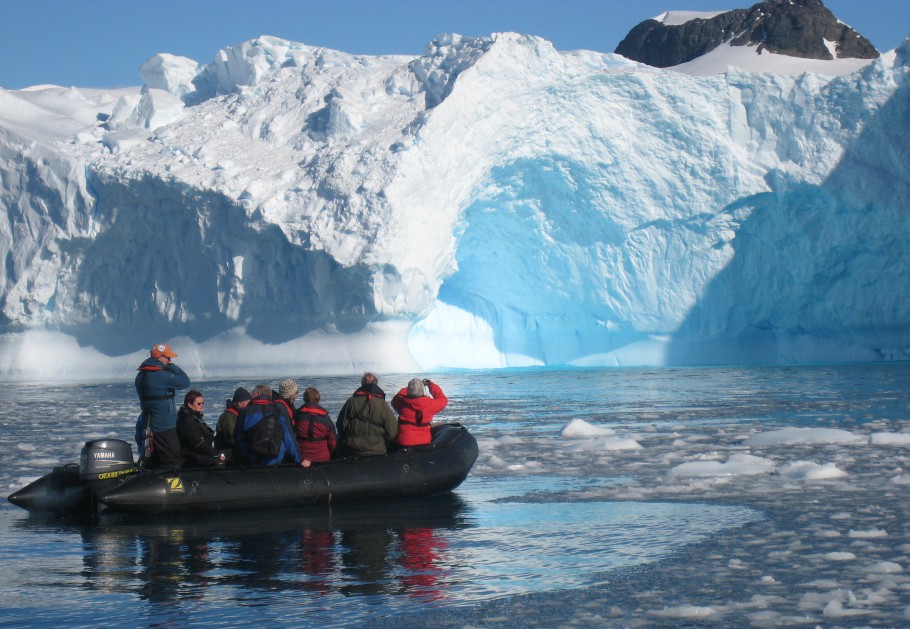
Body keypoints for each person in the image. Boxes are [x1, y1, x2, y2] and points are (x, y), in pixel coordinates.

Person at [135, 342, 191, 468]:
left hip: (149, 425)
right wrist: (172, 367)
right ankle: (173, 485)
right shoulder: (160, 376)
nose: (169, 360)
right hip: (165, 426)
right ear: (160, 357)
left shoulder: (141, 375)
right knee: (172, 459)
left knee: (155, 460)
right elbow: (185, 381)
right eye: (168, 357)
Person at [235, 384, 301, 466]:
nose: (250, 396)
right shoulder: (278, 411)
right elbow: (289, 439)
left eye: (252, 394)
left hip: (252, 461)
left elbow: (238, 440)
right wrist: (299, 460)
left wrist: (242, 460)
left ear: (258, 394)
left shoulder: (244, 412)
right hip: (275, 460)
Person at [336, 372, 398, 456]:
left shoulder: (351, 402)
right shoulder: (382, 404)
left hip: (352, 450)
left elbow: (341, 425)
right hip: (377, 450)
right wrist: (383, 443)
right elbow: (392, 430)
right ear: (376, 384)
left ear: (362, 384)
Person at [392, 378, 449, 447]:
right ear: (422, 390)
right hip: (423, 442)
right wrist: (431, 385)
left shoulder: (402, 403)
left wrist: (411, 387)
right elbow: (443, 400)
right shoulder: (430, 404)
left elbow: (396, 397)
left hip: (404, 441)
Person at [176, 390, 225, 467]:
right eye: (199, 404)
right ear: (190, 404)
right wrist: (216, 454)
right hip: (190, 456)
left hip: (198, 452)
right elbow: (199, 444)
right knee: (218, 462)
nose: (201, 405)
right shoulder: (187, 421)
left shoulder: (195, 418)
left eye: (202, 403)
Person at [294, 387, 337, 466]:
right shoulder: (325, 417)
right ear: (318, 398)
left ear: (304, 398)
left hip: (302, 457)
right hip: (322, 457)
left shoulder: (297, 415)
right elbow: (333, 442)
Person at [214, 387, 252, 451]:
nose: (250, 405)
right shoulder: (227, 417)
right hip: (227, 453)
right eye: (248, 403)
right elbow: (232, 439)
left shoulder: (240, 415)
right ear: (239, 404)